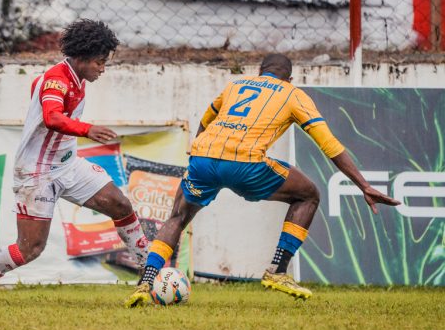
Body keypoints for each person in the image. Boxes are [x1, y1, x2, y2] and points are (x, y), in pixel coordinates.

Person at [125, 53, 401, 307]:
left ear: (259, 72)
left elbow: (207, 118)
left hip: (203, 159)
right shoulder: (293, 94)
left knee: (178, 216)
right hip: (246, 164)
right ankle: (278, 271)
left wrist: (200, 152)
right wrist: (362, 185)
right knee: (308, 194)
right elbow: (329, 144)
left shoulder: (235, 86)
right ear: (289, 78)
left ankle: (146, 281)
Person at [0, 19, 150, 304]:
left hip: (68, 165)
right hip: (37, 173)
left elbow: (39, 92)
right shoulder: (57, 79)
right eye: (100, 62)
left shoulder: (74, 79)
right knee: (30, 248)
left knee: (121, 204)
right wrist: (87, 129)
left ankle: (149, 278)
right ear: (82, 57)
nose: (103, 69)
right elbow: (52, 117)